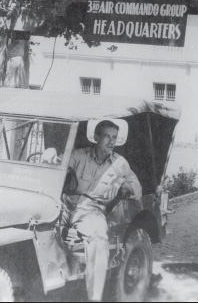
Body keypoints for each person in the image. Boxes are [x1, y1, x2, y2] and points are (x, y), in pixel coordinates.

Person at [45, 120, 142, 302]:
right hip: (65, 204)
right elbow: (59, 163)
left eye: (114, 138)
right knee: (37, 222)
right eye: (106, 136)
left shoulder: (120, 164)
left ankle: (94, 298)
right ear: (96, 138)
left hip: (91, 211)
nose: (111, 142)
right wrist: (49, 156)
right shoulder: (79, 155)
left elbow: (138, 190)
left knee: (98, 239)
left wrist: (121, 182)